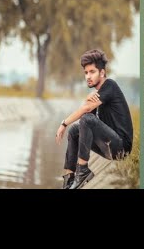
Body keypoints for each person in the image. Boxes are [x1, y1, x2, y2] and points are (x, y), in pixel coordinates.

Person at [55, 49, 133, 189]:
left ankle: (83, 170)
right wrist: (86, 99)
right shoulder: (97, 95)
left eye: (92, 72)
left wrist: (64, 123)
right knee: (74, 130)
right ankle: (69, 179)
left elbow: (85, 112)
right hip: (109, 145)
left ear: (102, 73)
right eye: (86, 73)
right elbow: (86, 111)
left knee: (86, 119)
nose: (88, 76)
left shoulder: (110, 85)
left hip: (121, 148)